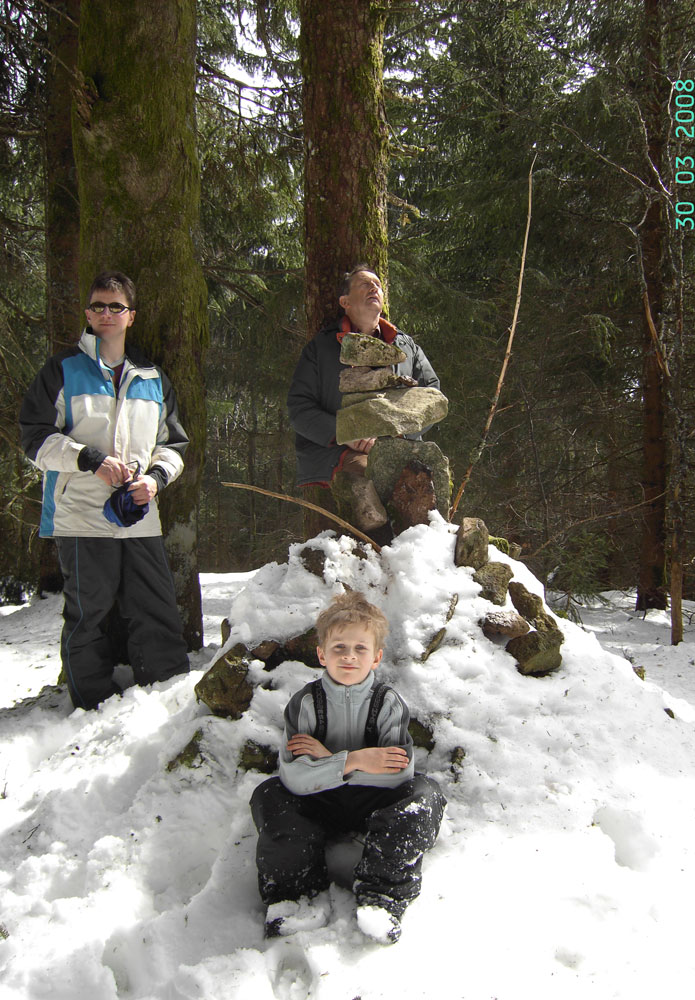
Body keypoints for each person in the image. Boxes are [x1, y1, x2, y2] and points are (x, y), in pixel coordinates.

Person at [19, 270, 190, 711]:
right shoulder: (62, 370)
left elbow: (174, 445)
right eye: (98, 305)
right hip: (79, 516)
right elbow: (34, 439)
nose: (106, 313)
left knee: (156, 611)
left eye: (116, 306)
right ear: (88, 313)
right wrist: (88, 460)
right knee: (88, 615)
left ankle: (168, 699)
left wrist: (154, 480)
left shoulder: (153, 378)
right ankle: (91, 706)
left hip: (139, 517)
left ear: (131, 316)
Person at [250, 591, 446, 944]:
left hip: (374, 804)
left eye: (360, 649)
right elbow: (294, 776)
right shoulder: (305, 704)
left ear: (376, 657)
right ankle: (294, 897)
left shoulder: (388, 704)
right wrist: (355, 759)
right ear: (322, 654)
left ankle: (382, 897)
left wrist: (324, 759)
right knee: (270, 795)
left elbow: (398, 773)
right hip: (317, 803)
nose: (349, 657)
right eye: (339, 648)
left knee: (424, 795)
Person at [287, 266, 440, 528]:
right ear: (344, 302)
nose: (374, 288)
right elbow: (299, 409)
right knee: (369, 475)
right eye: (364, 284)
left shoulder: (405, 346)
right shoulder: (321, 348)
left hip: (399, 444)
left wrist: (401, 432)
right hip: (337, 450)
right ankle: (376, 553)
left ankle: (421, 557)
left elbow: (432, 395)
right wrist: (349, 434)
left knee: (424, 482)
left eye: (377, 285)